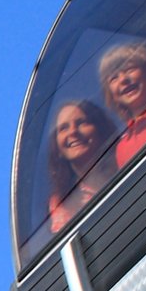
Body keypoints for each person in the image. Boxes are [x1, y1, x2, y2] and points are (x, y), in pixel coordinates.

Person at [41, 97, 117, 235]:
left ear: (100, 130)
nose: (73, 132)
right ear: (57, 148)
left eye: (81, 123)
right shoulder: (60, 204)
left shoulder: (125, 162)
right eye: (63, 128)